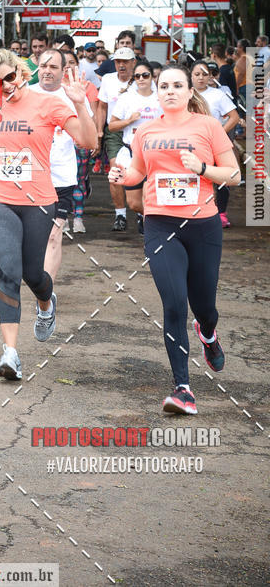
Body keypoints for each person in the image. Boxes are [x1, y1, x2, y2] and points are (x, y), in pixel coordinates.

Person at [0, 48, 96, 381]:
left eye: (10, 77)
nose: (6, 85)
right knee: (8, 271)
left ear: (22, 72)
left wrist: (79, 103)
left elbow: (88, 140)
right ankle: (10, 353)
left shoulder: (49, 104)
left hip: (39, 201)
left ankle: (46, 303)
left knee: (33, 275)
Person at [109, 62, 240, 415]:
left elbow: (234, 175)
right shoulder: (146, 131)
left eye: (177, 85)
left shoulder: (208, 126)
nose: (170, 91)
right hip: (160, 224)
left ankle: (207, 333)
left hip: (203, 226)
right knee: (173, 303)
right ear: (157, 92)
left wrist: (201, 169)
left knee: (205, 307)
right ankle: (183, 388)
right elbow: (138, 172)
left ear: (189, 91)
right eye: (164, 86)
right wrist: (122, 176)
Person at [32, 49, 97, 279]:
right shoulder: (25, 94)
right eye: (43, 66)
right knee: (31, 237)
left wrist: (79, 103)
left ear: (63, 70)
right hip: (29, 179)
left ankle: (46, 291)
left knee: (53, 235)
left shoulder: (73, 95)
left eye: (53, 67)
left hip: (61, 176)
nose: (47, 71)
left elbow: (88, 137)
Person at [108, 59, 162, 232]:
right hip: (132, 154)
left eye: (145, 75)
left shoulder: (161, 98)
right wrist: (129, 120)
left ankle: (155, 230)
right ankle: (152, 218)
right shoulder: (126, 98)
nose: (141, 79)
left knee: (148, 196)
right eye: (137, 76)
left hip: (155, 154)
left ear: (152, 77)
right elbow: (112, 126)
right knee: (134, 203)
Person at [191, 61, 239, 228]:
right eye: (197, 74)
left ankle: (221, 213)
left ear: (210, 76)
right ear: (190, 76)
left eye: (205, 74)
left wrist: (219, 134)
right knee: (194, 177)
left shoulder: (218, 95)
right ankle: (196, 212)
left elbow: (234, 117)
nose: (201, 78)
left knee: (222, 178)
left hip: (215, 145)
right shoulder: (184, 94)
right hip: (191, 144)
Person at [96, 46, 137, 230]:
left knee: (139, 171)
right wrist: (99, 131)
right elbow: (102, 107)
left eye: (125, 62)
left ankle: (141, 213)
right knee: (115, 171)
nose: (121, 65)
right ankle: (120, 215)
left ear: (133, 63)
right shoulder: (108, 79)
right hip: (114, 131)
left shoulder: (142, 79)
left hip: (136, 130)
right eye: (118, 61)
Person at [63, 50, 98, 232]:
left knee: (78, 180)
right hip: (57, 144)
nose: (67, 66)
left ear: (78, 65)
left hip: (79, 142)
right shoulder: (50, 89)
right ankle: (62, 218)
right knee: (59, 181)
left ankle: (78, 218)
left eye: (71, 62)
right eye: (64, 62)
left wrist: (93, 138)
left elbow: (92, 116)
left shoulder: (85, 86)